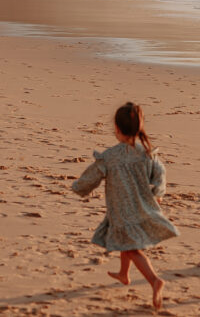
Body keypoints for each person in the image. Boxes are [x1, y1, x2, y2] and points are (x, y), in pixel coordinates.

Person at [71, 102, 179, 309]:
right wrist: (158, 194)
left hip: (123, 211)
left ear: (117, 130)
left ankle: (155, 280)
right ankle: (123, 274)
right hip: (142, 209)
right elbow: (160, 175)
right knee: (125, 241)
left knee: (131, 249)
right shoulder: (147, 154)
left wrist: (79, 187)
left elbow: (92, 176)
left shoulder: (110, 157)